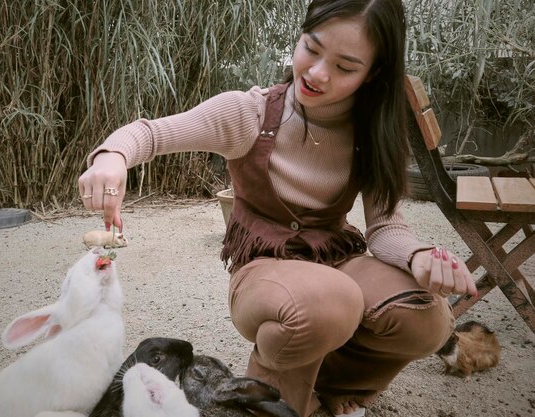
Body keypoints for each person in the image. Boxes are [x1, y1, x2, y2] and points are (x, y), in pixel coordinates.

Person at [77, 0, 477, 416]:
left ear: (373, 72)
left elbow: (386, 227)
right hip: (265, 271)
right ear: (301, 35)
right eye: (312, 48)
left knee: (426, 318)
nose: (318, 73)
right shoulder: (249, 113)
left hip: (334, 259)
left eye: (345, 67)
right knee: (328, 302)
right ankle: (276, 399)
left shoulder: (374, 129)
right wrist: (112, 157)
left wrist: (418, 255)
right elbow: (151, 134)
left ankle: (332, 394)